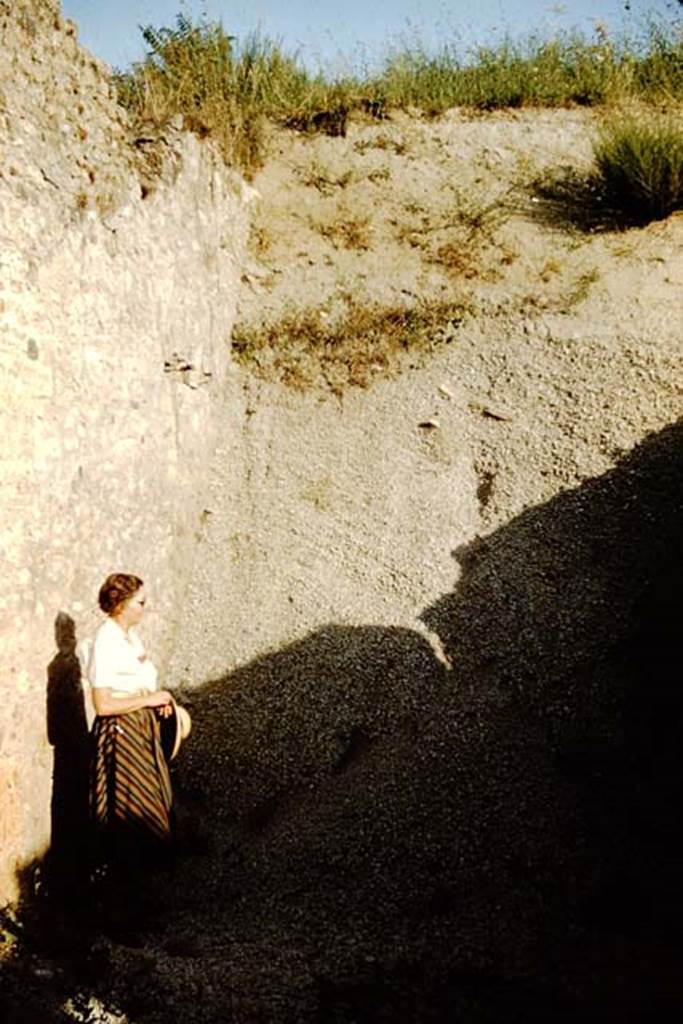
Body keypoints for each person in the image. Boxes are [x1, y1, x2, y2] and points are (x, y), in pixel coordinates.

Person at [87, 572, 175, 878]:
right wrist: (146, 701)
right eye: (140, 602)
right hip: (121, 734)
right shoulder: (105, 641)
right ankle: (123, 899)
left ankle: (147, 891)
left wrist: (155, 699)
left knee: (150, 805)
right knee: (129, 809)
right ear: (121, 604)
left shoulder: (130, 637)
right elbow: (103, 705)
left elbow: (138, 682)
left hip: (140, 729)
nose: (144, 607)